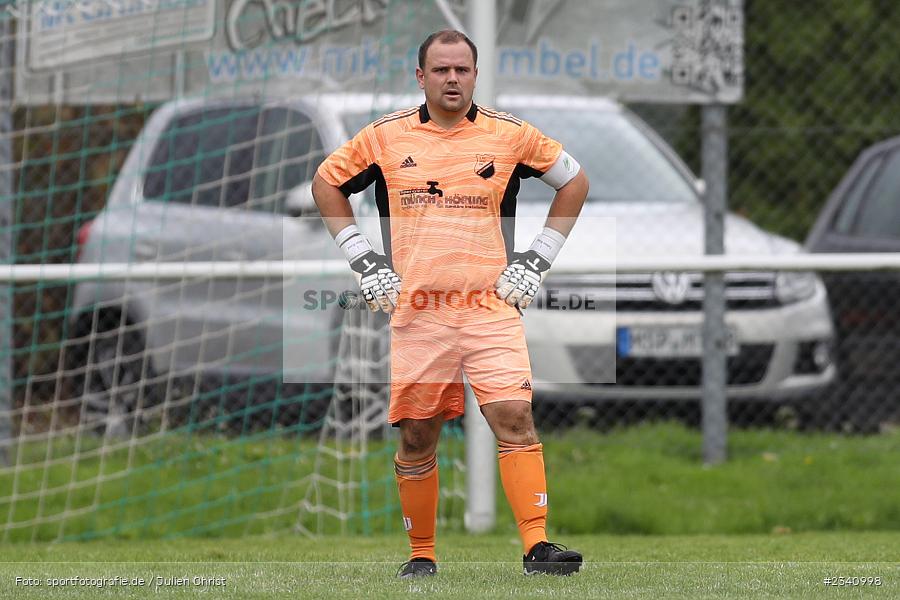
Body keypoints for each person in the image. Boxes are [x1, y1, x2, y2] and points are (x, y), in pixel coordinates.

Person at [312, 29, 589, 578]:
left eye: (462, 69)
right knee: (418, 434)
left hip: (490, 307)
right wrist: (365, 262)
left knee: (514, 416)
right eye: (441, 70)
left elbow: (574, 182)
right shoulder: (385, 138)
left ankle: (537, 547)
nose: (452, 78)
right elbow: (326, 184)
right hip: (418, 312)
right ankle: (422, 555)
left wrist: (537, 259)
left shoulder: (509, 136)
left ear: (475, 74)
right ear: (421, 77)